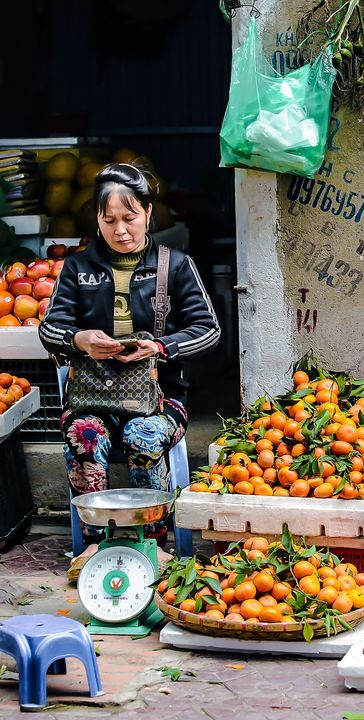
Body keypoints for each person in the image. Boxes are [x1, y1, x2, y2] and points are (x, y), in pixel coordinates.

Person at [39, 163, 220, 548]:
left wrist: (159, 347)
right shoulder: (78, 267)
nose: (120, 230)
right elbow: (49, 329)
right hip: (92, 399)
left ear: (149, 213)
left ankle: (150, 545)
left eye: (130, 218)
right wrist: (80, 339)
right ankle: (96, 546)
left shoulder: (175, 266)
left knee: (143, 436)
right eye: (109, 220)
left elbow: (209, 330)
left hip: (161, 400)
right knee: (84, 434)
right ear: (98, 220)